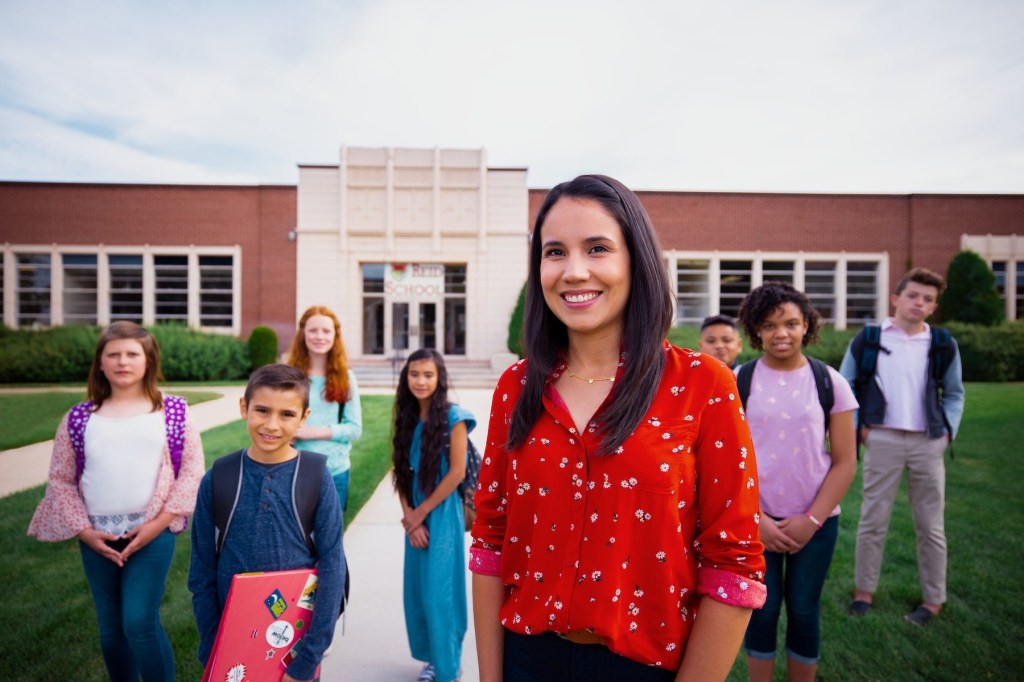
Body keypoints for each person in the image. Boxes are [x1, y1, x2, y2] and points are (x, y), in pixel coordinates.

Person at [469, 174, 766, 682]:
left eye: (598, 248)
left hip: (643, 667)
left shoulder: (702, 385)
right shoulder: (516, 387)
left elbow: (732, 562)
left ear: (636, 260)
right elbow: (491, 540)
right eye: (555, 252)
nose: (574, 271)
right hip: (527, 658)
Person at [27, 321, 205, 682]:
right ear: (101, 362)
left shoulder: (172, 414)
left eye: (132, 354)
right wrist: (85, 532)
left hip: (152, 533)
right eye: (113, 354)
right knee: (111, 631)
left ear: (148, 360)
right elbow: (61, 479)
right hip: (97, 538)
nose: (123, 361)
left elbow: (191, 472)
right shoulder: (79, 419)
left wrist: (157, 525)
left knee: (139, 622)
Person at [189, 364, 345, 682]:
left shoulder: (315, 476)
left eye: (287, 414)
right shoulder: (218, 478)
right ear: (244, 407)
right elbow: (201, 574)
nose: (271, 424)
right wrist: (212, 650)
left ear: (304, 418)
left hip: (295, 648)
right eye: (261, 410)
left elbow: (333, 567)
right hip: (233, 651)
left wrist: (307, 659)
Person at [736, 282, 857, 682]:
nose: (781, 333)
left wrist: (812, 519)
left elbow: (844, 462)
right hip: (756, 521)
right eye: (769, 325)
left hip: (816, 523)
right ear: (755, 331)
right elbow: (728, 464)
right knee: (762, 609)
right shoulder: (740, 380)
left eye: (790, 323)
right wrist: (757, 520)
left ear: (807, 325)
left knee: (804, 609)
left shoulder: (830, 382)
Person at [839, 267, 965, 625]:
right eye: (913, 296)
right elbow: (846, 385)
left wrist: (947, 432)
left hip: (929, 442)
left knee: (930, 524)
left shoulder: (942, 343)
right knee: (872, 520)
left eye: (927, 299)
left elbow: (955, 393)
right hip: (882, 439)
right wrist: (859, 430)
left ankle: (933, 599)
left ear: (933, 306)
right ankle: (863, 593)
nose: (919, 303)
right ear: (896, 298)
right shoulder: (869, 338)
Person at [392, 348, 476, 682]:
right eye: (414, 374)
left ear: (440, 378)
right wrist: (409, 517)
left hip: (443, 514)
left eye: (428, 374)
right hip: (415, 512)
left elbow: (456, 473)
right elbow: (401, 471)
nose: (421, 381)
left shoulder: (454, 418)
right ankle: (431, 659)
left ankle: (448, 666)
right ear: (406, 377)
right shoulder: (406, 417)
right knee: (417, 593)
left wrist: (421, 513)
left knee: (442, 592)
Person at [287, 305, 363, 512]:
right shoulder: (289, 376)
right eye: (313, 330)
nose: (319, 336)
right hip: (294, 469)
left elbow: (354, 428)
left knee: (328, 541)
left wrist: (311, 432)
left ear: (335, 336)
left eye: (326, 331)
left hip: (335, 472)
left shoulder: (346, 378)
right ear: (303, 334)